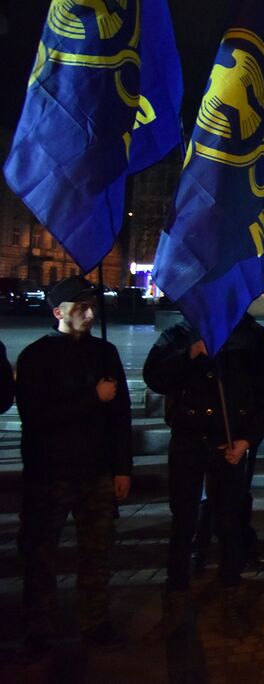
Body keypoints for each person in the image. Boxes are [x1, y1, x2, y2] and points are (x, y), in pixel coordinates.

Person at [16, 277, 132, 652]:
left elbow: (120, 414)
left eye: (91, 306)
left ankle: (95, 621)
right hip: (49, 472)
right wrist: (91, 397)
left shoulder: (105, 352)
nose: (90, 313)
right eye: (81, 307)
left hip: (95, 470)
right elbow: (35, 416)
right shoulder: (36, 356)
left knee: (96, 551)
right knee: (40, 553)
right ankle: (38, 627)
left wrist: (122, 468)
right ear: (58, 312)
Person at [145, 313, 264, 637]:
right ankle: (175, 602)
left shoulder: (254, 336)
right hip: (188, 441)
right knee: (183, 525)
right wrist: (189, 354)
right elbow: (155, 377)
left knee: (230, 524)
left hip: (229, 443)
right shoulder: (180, 333)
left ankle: (230, 599)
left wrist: (249, 439)